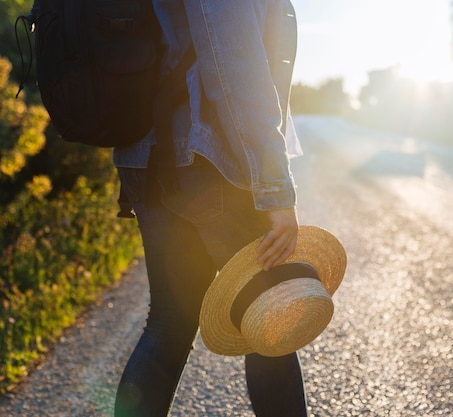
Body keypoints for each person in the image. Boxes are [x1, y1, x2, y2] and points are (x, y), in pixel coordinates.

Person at [112, 1, 307, 416]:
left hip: (147, 156)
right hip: (205, 161)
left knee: (168, 324)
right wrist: (274, 190)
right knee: (269, 314)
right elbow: (236, 67)